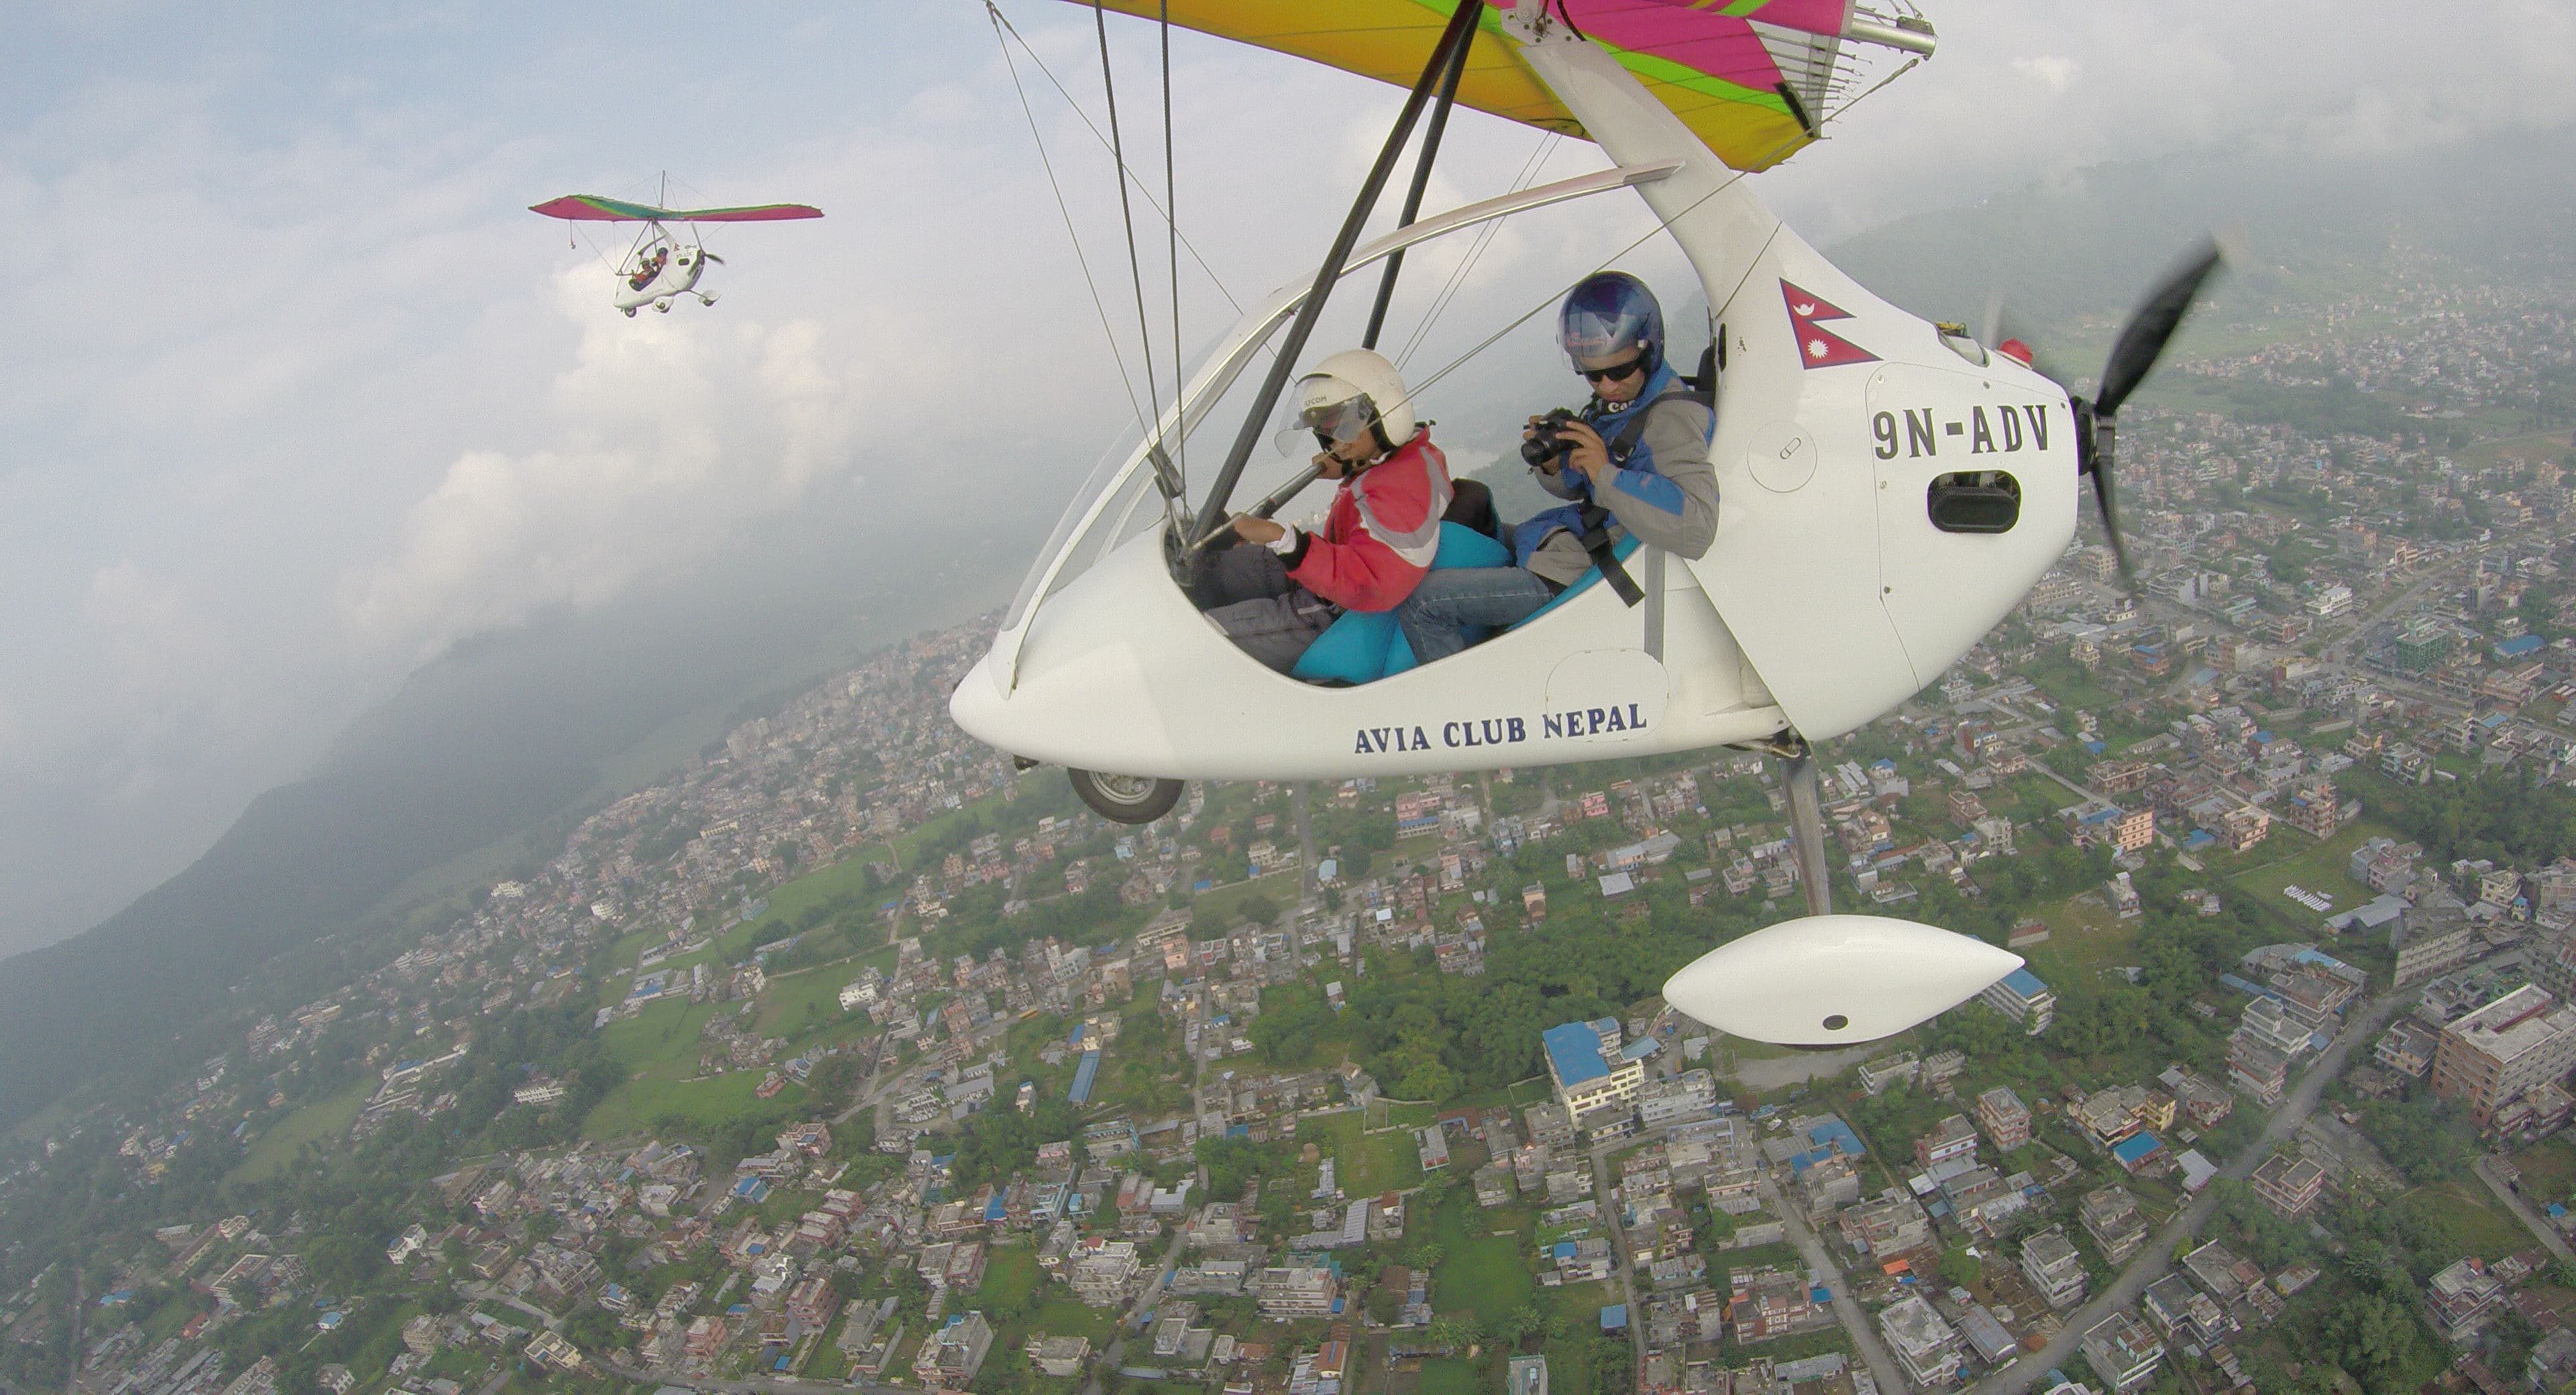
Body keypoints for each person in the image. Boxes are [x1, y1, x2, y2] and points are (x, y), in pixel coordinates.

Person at [1394, 272, 1717, 664]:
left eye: (1619, 371)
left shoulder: (1671, 420)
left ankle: (1460, 708)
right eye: (1593, 374)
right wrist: (1555, 463)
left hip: (1585, 567)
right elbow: (1587, 488)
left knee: (1424, 605)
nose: (1607, 386)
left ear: (1649, 352)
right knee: (1471, 509)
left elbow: (1697, 526)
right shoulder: (1626, 406)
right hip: (1570, 542)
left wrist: (1604, 473)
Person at [1200, 348, 1453, 673]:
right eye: (1327, 429)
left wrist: (1283, 539)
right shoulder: (1407, 456)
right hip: (1335, 564)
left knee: (1205, 635)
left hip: (1337, 609)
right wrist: (1352, 464)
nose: (1333, 440)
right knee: (1218, 568)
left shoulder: (1402, 487)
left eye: (1344, 427)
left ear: (1388, 417)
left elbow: (1373, 586)